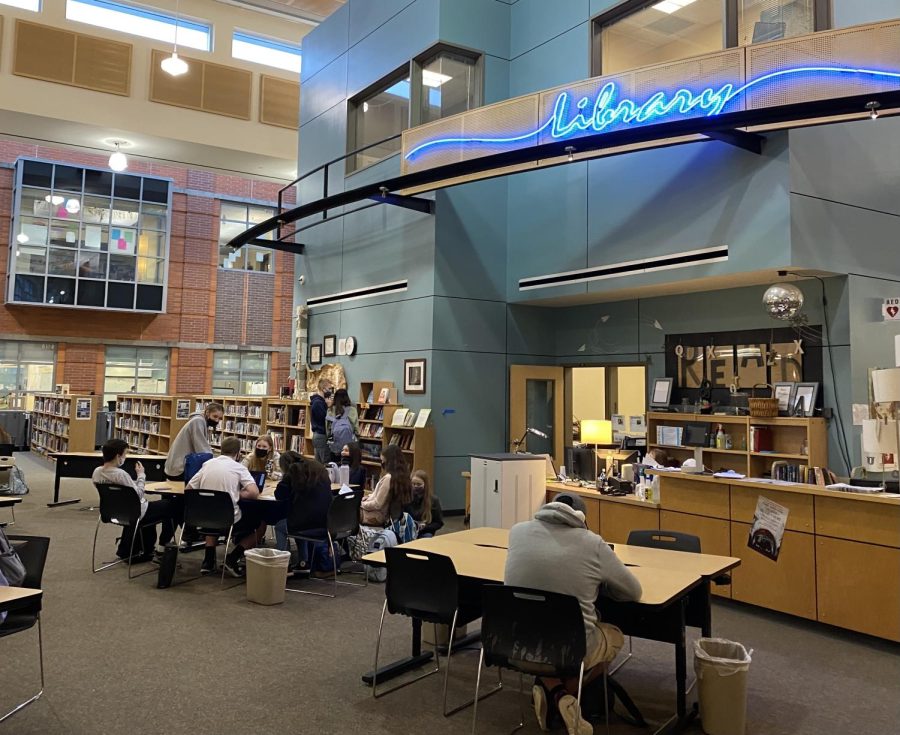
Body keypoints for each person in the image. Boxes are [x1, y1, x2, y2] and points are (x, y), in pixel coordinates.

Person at [505, 492, 642, 735]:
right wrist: (603, 586)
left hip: (515, 645)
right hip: (571, 649)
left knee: (544, 635)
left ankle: (551, 690)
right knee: (615, 636)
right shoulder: (592, 543)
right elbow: (633, 591)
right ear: (581, 519)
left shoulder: (517, 532)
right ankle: (564, 696)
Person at [92, 438, 181, 560]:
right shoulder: (120, 474)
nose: (125, 457)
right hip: (135, 512)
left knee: (156, 509)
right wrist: (141, 475)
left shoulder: (97, 472)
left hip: (113, 512)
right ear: (118, 456)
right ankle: (163, 546)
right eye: (125, 454)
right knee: (174, 505)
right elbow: (138, 494)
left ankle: (143, 548)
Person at [186, 436, 262, 577]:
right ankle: (232, 559)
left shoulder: (207, 464)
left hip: (201, 518)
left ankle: (208, 561)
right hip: (227, 520)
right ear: (238, 453)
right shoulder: (239, 468)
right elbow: (254, 493)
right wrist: (236, 494)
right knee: (261, 525)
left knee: (213, 511)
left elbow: (189, 488)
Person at [273, 452, 334, 576]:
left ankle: (283, 565)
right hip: (325, 522)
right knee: (296, 519)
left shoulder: (292, 471)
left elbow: (279, 495)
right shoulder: (318, 468)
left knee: (280, 527)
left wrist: (285, 478)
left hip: (304, 522)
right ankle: (303, 562)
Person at [164, 402, 224, 480]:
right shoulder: (198, 421)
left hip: (179, 465)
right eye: (215, 416)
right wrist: (217, 461)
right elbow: (202, 449)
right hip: (180, 468)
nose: (217, 420)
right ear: (207, 412)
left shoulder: (201, 421)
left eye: (219, 418)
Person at [360, 444, 412, 527]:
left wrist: (361, 504)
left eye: (383, 461)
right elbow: (380, 496)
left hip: (376, 516)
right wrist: (369, 497)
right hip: (383, 515)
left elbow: (377, 504)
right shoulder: (402, 477)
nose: (382, 464)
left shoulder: (388, 478)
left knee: (348, 511)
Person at [403, 469, 443, 537]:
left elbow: (438, 523)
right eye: (413, 484)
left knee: (427, 537)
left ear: (425, 485)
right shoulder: (406, 498)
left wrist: (425, 527)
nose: (415, 486)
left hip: (425, 532)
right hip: (408, 532)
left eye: (419, 484)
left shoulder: (433, 500)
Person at [310, 379, 334, 464]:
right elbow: (325, 419)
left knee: (320, 462)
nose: (331, 391)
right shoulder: (318, 403)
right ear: (324, 389)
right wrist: (329, 406)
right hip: (321, 435)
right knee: (325, 462)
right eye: (330, 388)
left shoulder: (320, 402)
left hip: (320, 435)